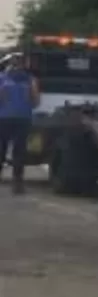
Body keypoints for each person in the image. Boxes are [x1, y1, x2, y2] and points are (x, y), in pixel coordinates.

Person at [0, 54, 40, 193]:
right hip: (23, 118)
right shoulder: (30, 80)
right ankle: (17, 183)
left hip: (3, 118)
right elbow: (35, 102)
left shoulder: (2, 78)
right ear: (24, 65)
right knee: (19, 151)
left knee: (1, 149)